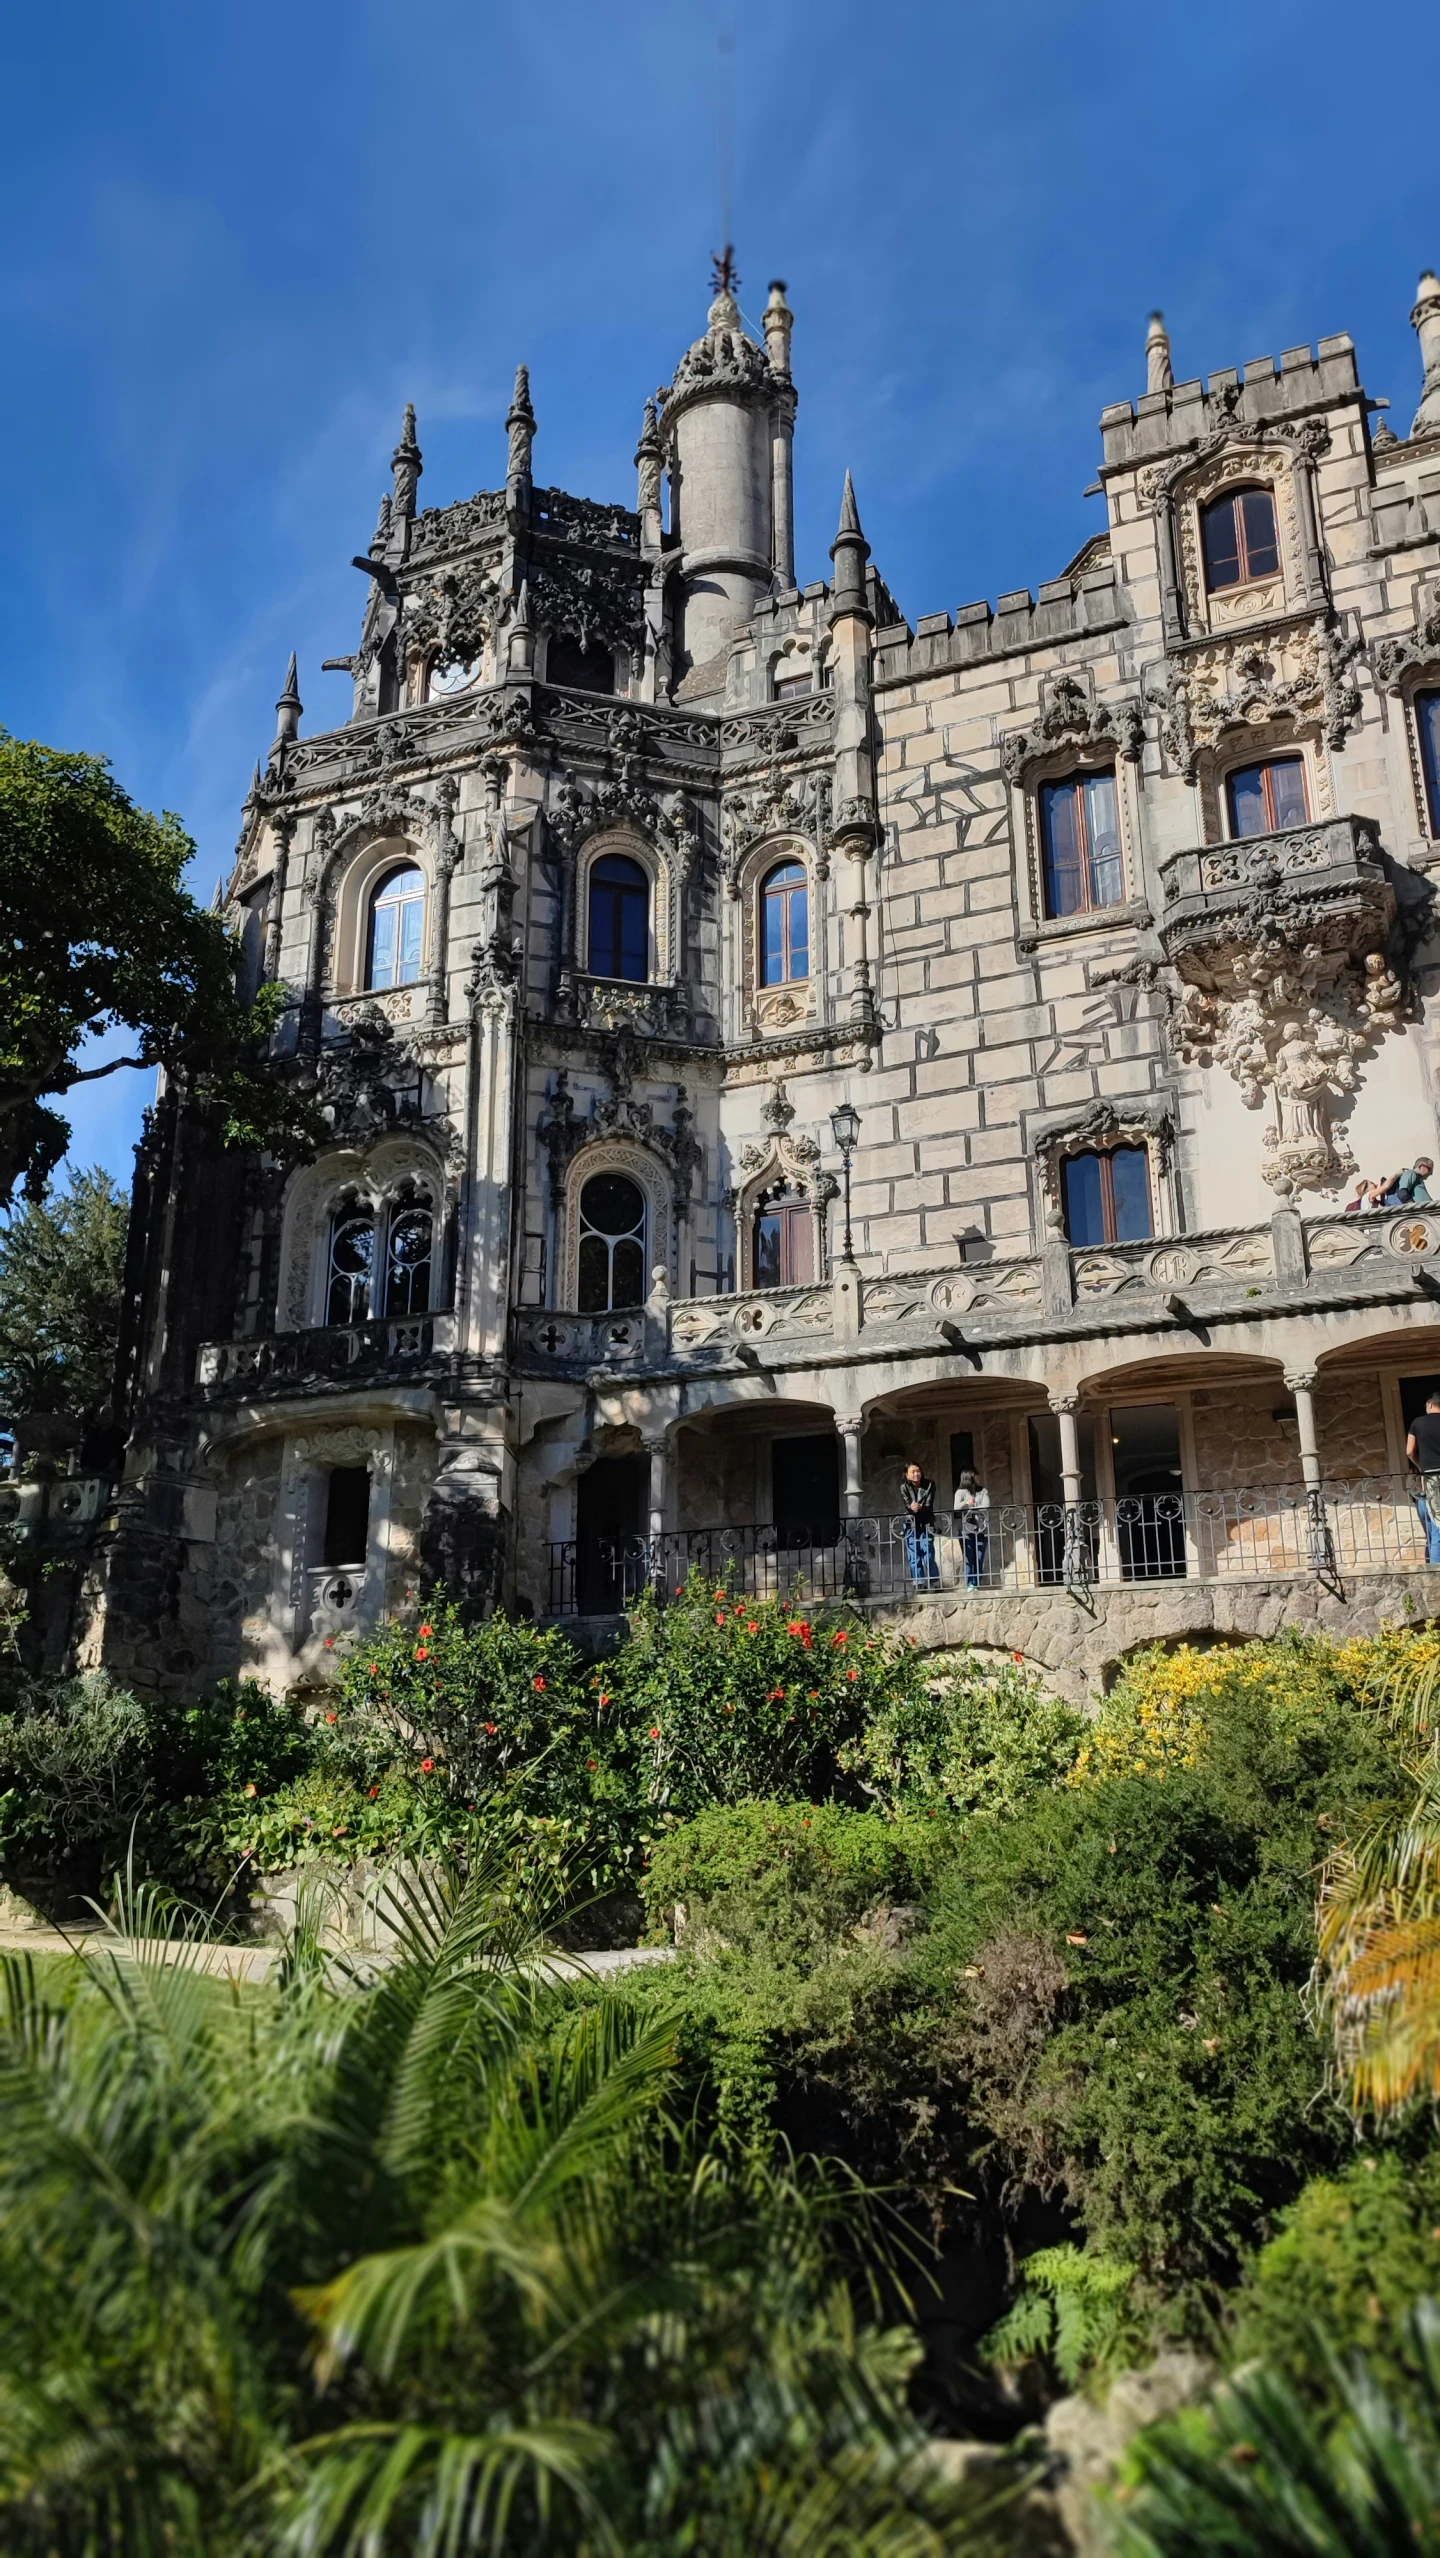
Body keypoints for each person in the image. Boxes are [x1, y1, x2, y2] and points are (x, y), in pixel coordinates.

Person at [1406, 1390, 1440, 1569]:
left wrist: (1420, 1466)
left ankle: (1436, 1571)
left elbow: (1409, 1451)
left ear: (1429, 1405)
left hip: (1431, 1476)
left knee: (1436, 1527)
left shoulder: (1417, 1423)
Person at [900, 1460, 940, 1592]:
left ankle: (934, 1581)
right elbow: (907, 1503)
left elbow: (929, 1503)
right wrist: (912, 1507)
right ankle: (919, 1583)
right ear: (907, 1475)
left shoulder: (929, 1484)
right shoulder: (904, 1487)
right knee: (914, 1553)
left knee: (927, 1551)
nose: (916, 1474)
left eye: (918, 1471)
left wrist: (921, 1507)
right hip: (911, 1523)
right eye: (913, 1472)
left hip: (925, 1521)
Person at [953, 1468, 991, 1590]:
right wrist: (967, 1503)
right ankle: (970, 1584)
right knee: (969, 1557)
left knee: (979, 1557)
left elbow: (986, 1506)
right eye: (976, 1476)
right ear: (968, 1477)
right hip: (966, 1529)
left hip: (981, 1528)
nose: (978, 1478)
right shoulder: (960, 1492)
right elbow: (956, 1507)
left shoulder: (983, 1491)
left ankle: (977, 1583)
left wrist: (972, 1509)